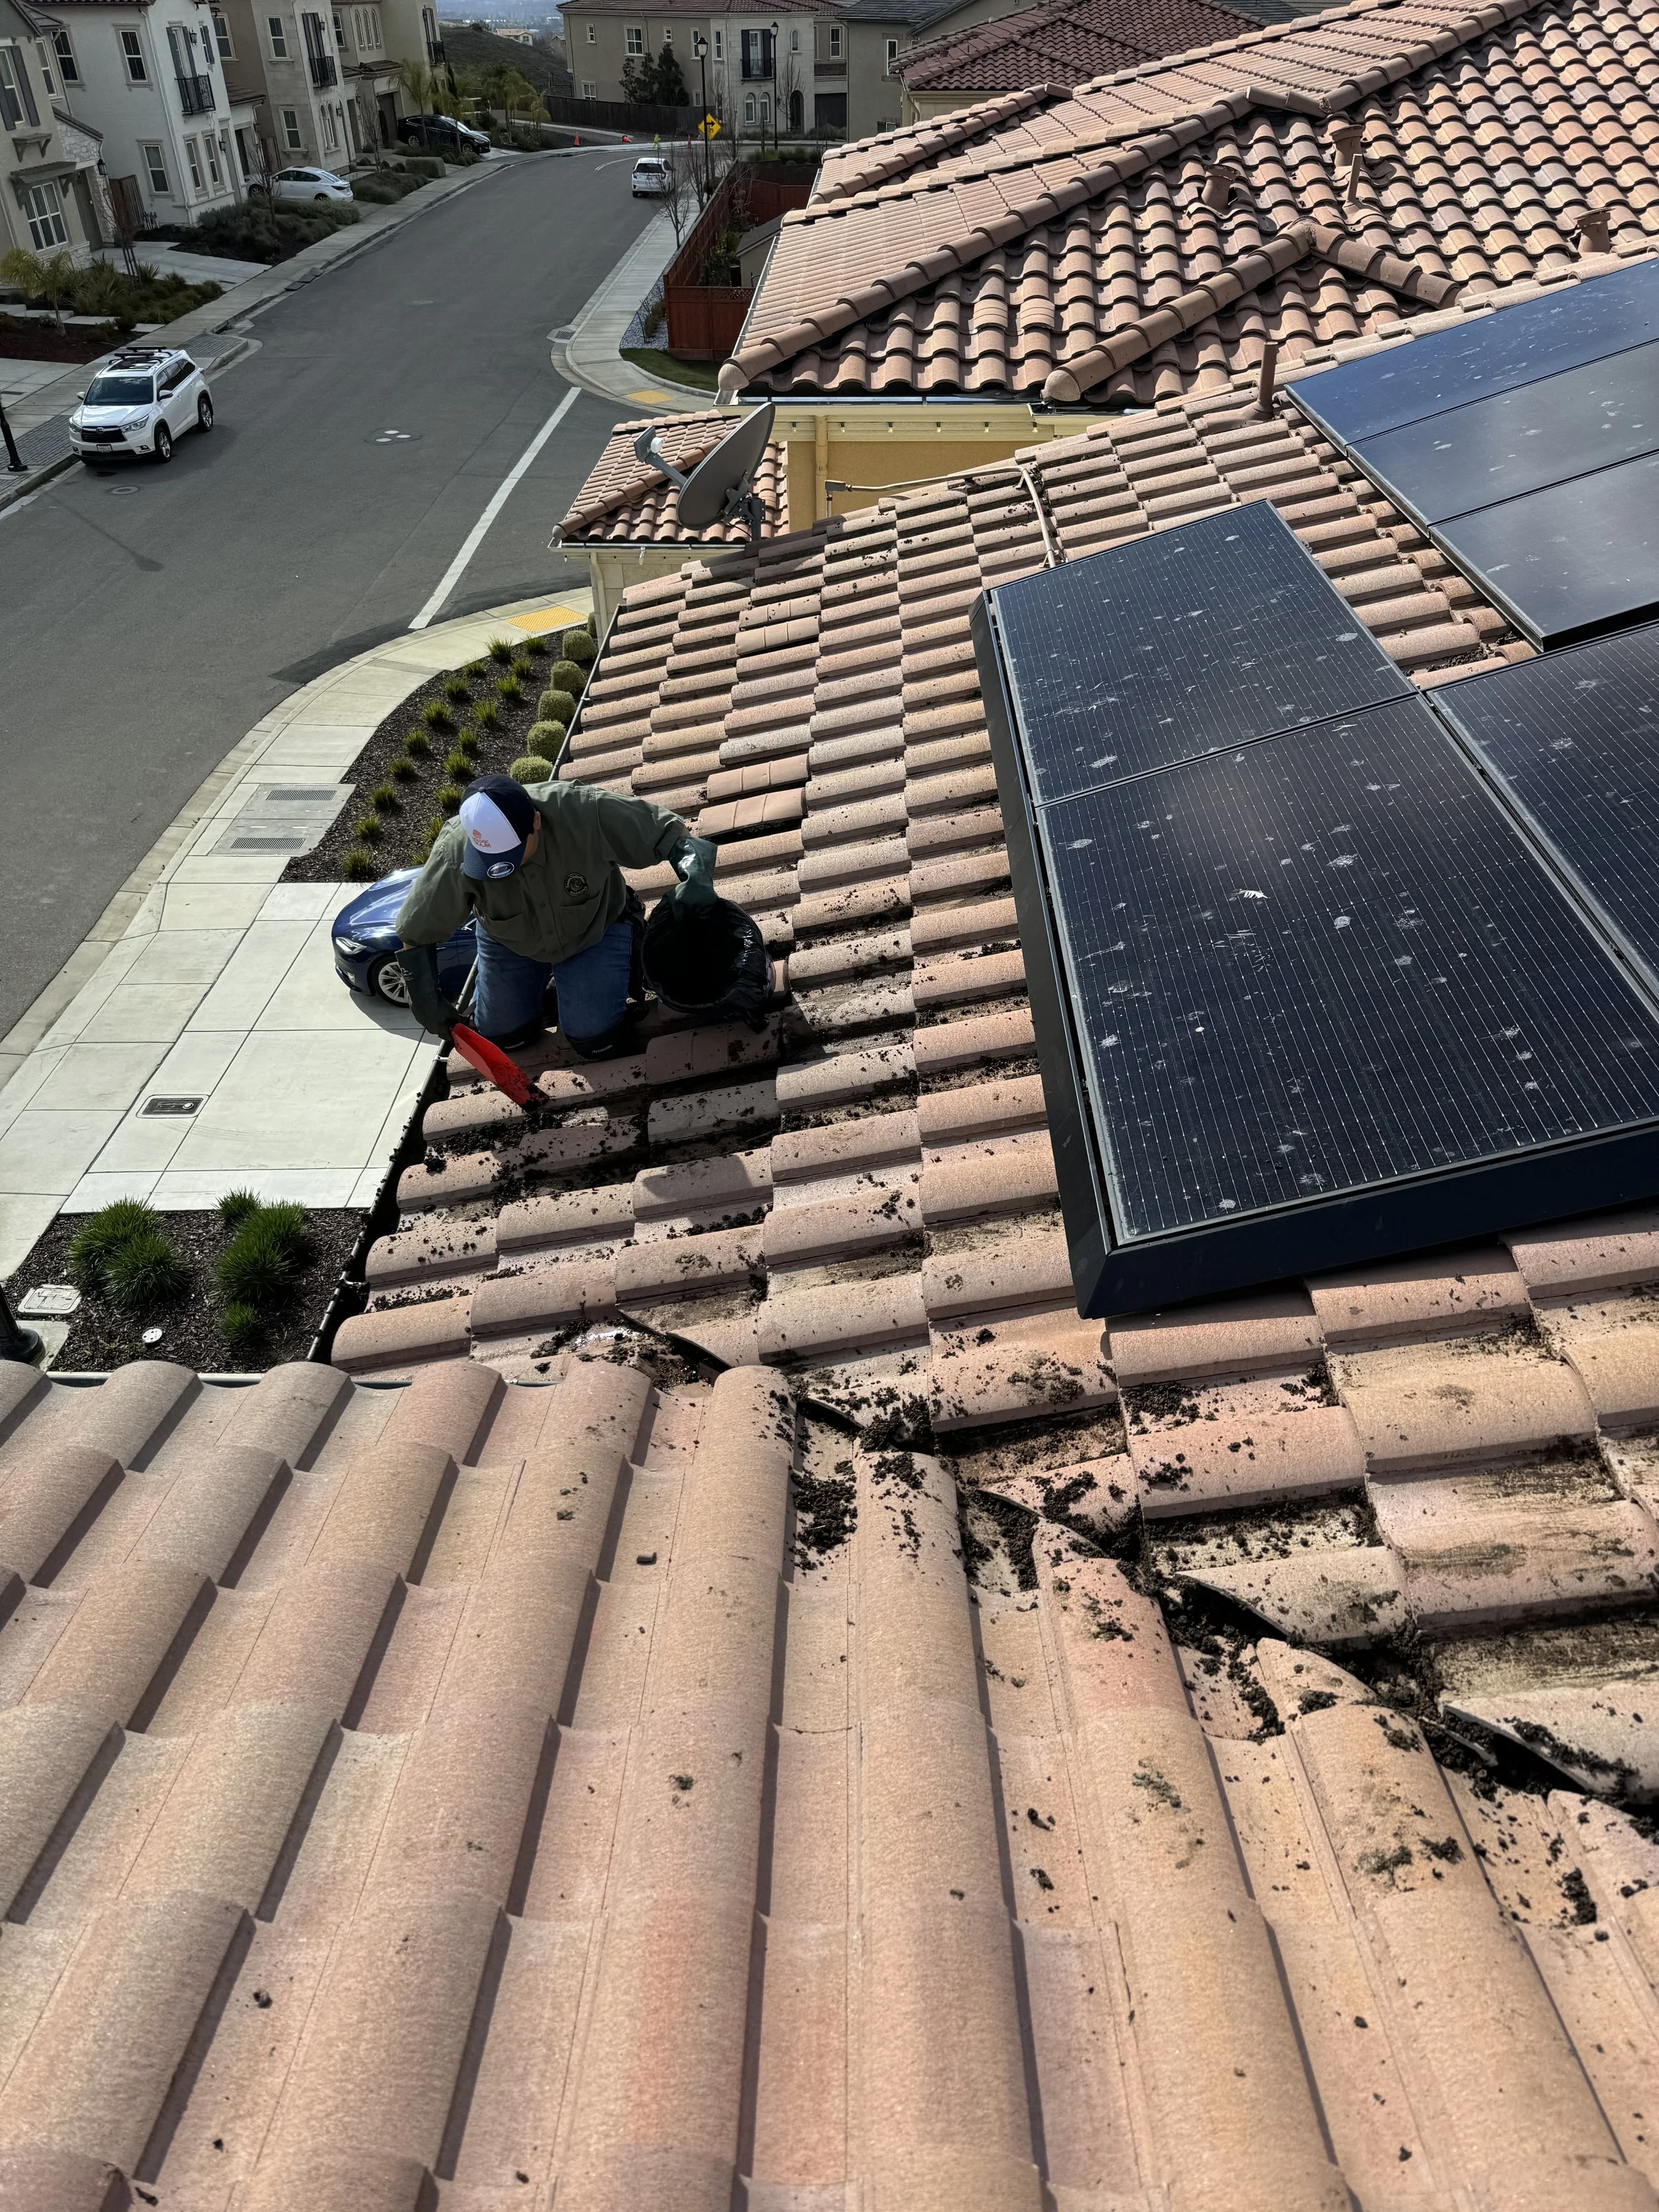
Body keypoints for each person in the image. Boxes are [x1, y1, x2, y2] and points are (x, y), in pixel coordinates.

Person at [396, 772, 716, 1058]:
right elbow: (415, 932)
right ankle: (550, 995)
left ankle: (589, 984)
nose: (503, 868)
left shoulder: (584, 811)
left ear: (536, 821)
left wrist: (694, 885)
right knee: (505, 1038)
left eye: (511, 854)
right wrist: (425, 1000)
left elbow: (671, 834)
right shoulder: (455, 851)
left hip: (594, 928)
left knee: (595, 1039)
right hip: (511, 941)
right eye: (490, 861)